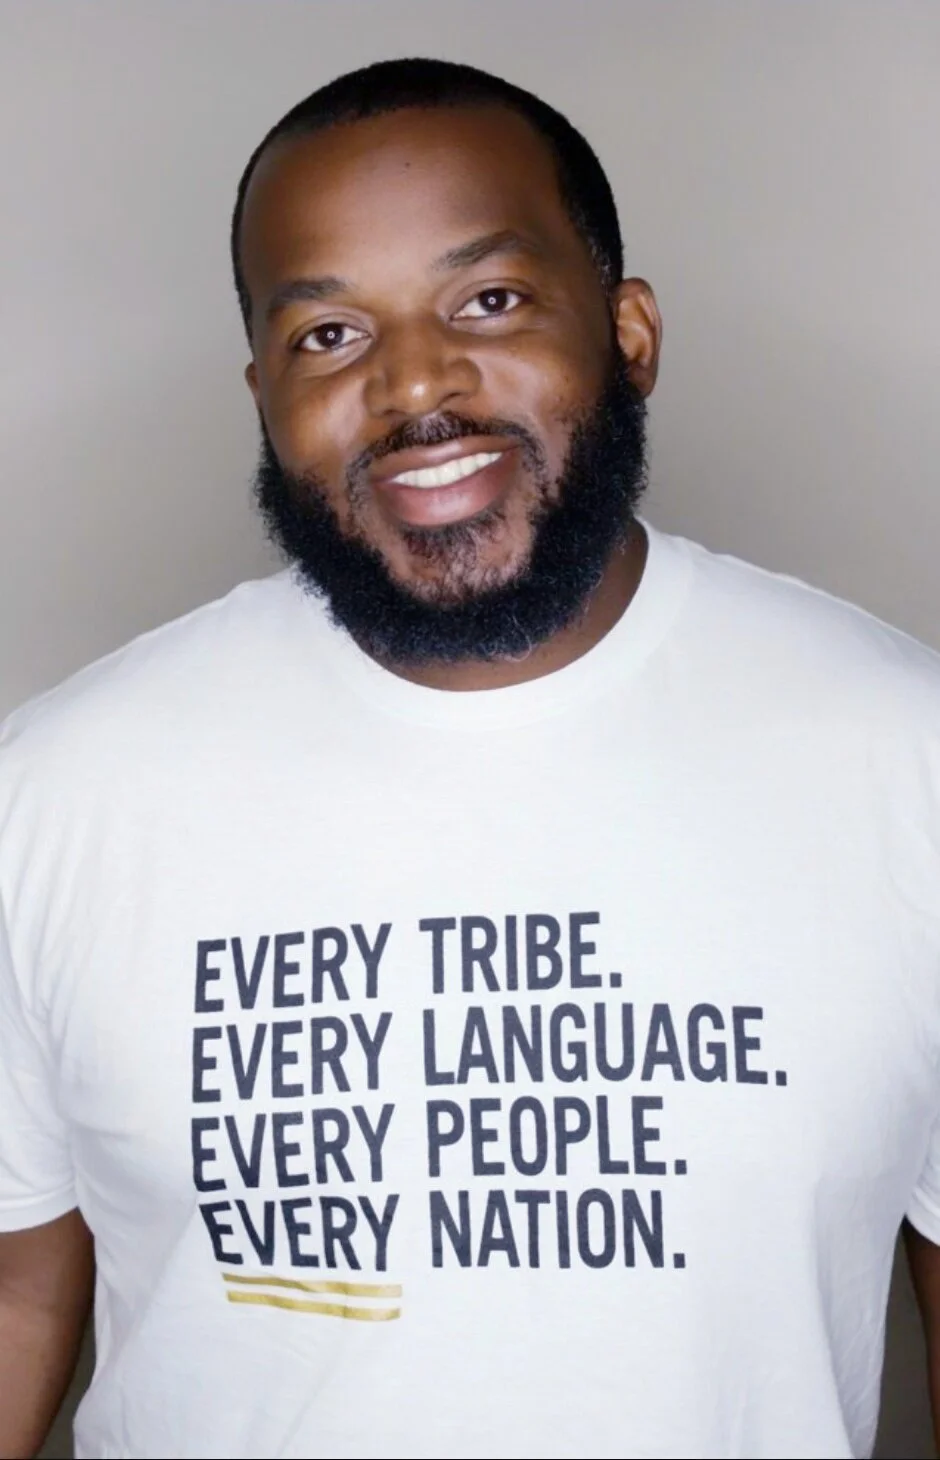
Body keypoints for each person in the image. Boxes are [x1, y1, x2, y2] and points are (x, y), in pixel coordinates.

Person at [0, 55, 938, 1460]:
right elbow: (19, 1296)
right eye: (326, 334)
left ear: (627, 332)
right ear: (260, 390)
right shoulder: (61, 787)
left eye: (488, 302)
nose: (416, 385)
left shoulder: (903, 756)